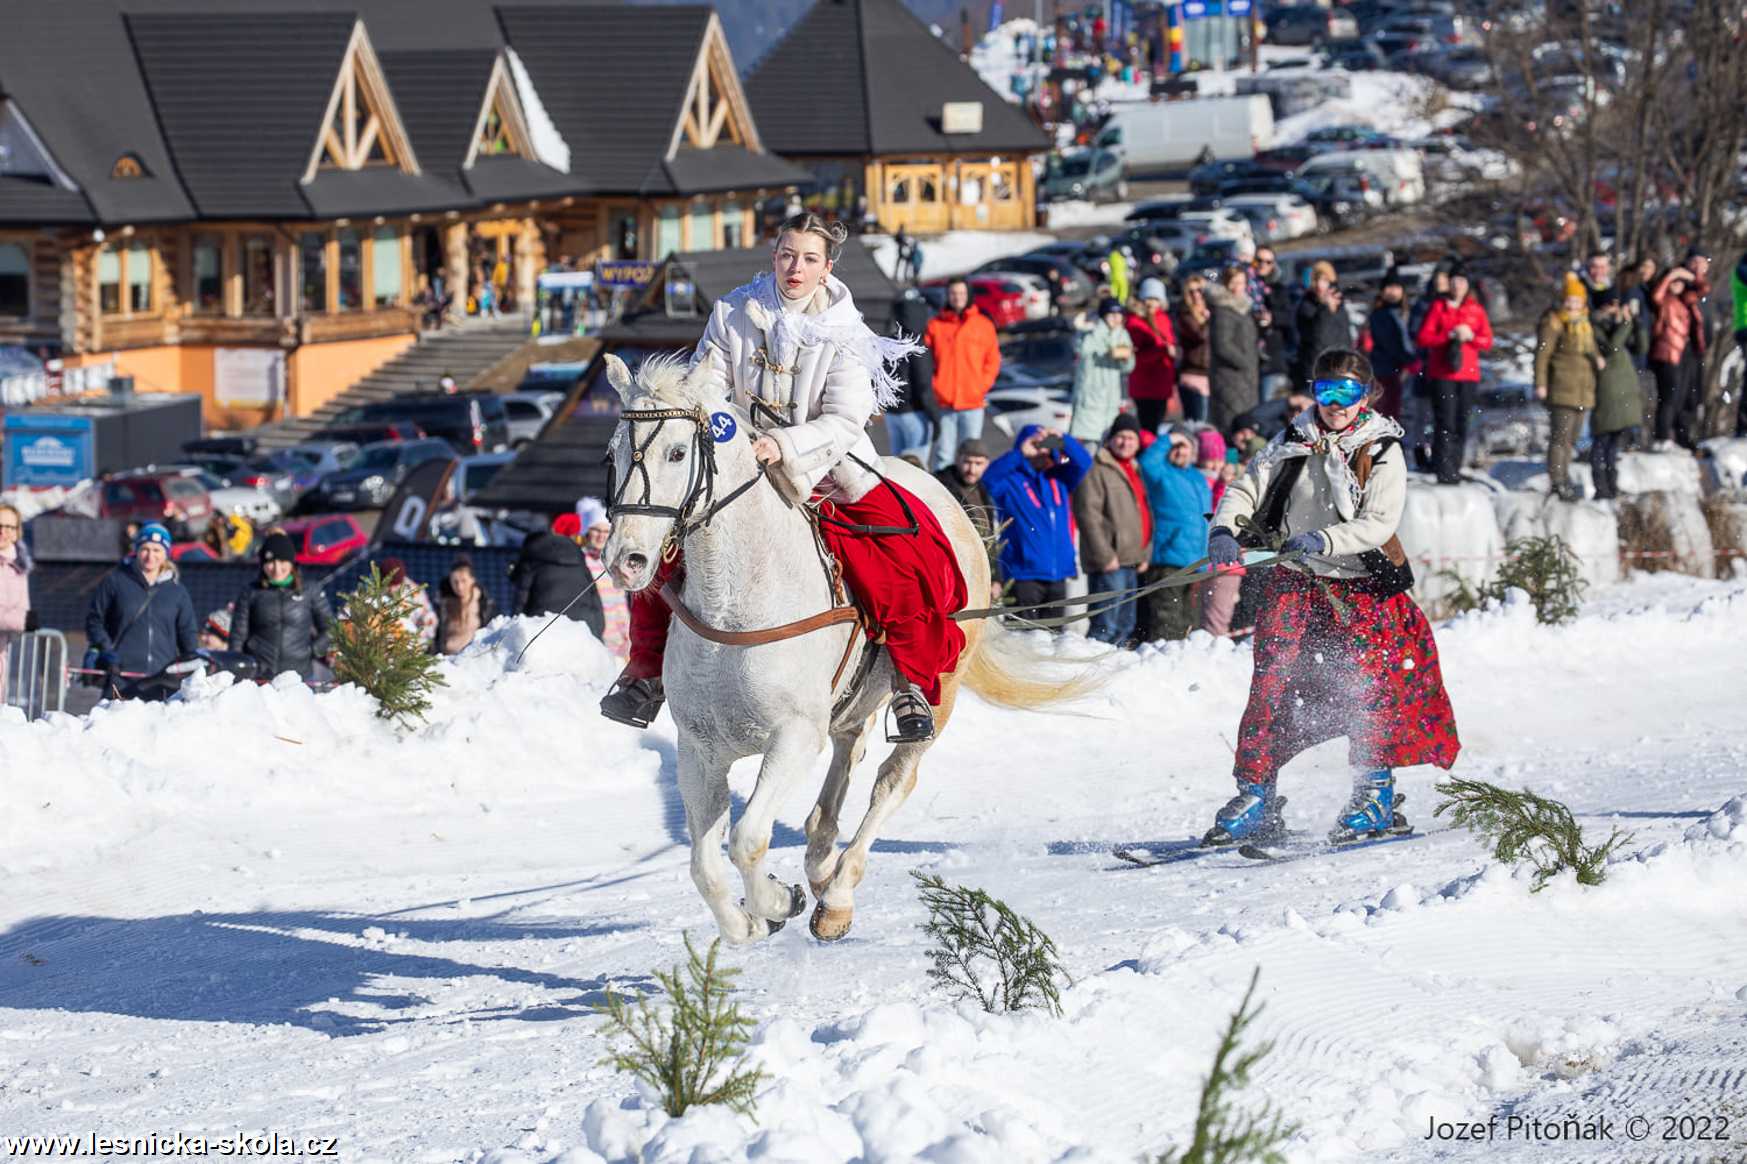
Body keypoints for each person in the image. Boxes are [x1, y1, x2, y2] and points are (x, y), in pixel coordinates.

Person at [600, 213, 966, 743]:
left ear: (827, 268)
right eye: (788, 255)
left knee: (900, 553)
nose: (796, 267)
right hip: (737, 457)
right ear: (773, 257)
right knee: (664, 545)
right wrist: (738, 442)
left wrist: (785, 445)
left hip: (825, 462)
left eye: (809, 259)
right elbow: (707, 388)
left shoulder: (847, 334)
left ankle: (909, 678)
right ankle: (646, 673)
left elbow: (845, 418)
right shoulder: (731, 312)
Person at [1203, 348, 1460, 847]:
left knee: (1368, 685)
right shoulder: (1291, 441)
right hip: (1298, 580)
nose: (1335, 403)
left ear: (1365, 397)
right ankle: (1256, 791)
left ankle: (1375, 790)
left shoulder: (1381, 448)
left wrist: (1324, 540)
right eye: (1327, 391)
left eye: (1347, 392)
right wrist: (1224, 530)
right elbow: (1245, 489)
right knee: (1273, 679)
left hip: (1360, 583)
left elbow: (1380, 522)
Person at [983, 424, 1092, 625]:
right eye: (1036, 444)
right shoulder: (1010, 480)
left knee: (1053, 640)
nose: (1041, 450)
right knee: (1023, 639)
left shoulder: (1059, 477)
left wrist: (1063, 440)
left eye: (1045, 445)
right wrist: (1019, 453)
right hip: (1023, 574)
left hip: (1057, 573)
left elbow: (1084, 463)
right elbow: (988, 479)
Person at [84, 522, 198, 700]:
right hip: (121, 677)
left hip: (162, 681)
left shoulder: (177, 592)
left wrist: (191, 667)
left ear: (166, 554)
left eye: (157, 550)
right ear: (136, 550)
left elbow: (187, 635)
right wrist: (107, 649)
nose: (150, 556)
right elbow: (94, 620)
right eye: (145, 549)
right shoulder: (115, 582)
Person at [1072, 414, 1152, 645]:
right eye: (1121, 437)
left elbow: (1146, 513)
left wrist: (1145, 553)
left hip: (1132, 561)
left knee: (1125, 626)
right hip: (1110, 563)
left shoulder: (1134, 470)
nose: (1125, 443)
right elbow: (1088, 514)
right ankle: (1092, 672)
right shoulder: (1097, 469)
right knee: (1105, 626)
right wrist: (1104, 556)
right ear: (1110, 439)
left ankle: (1116, 675)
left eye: (1131, 438)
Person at [1414, 269, 1493, 484]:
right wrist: (1448, 335)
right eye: (1454, 281)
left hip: (1468, 374)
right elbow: (1423, 337)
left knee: (1462, 422)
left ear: (1468, 285)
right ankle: (1443, 468)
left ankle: (1456, 466)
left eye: (1462, 281)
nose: (1458, 286)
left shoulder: (1475, 309)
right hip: (1442, 373)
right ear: (1449, 284)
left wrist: (1471, 336)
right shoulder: (1438, 307)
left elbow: (1487, 341)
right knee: (1445, 421)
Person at [1534, 273, 1605, 502]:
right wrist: (1541, 383)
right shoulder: (1554, 322)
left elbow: (1591, 349)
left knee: (1572, 439)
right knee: (1560, 438)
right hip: (1562, 388)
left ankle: (1564, 476)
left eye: (1577, 300)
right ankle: (1558, 480)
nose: (1573, 304)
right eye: (1570, 299)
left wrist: (1598, 359)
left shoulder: (1584, 325)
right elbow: (1542, 354)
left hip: (1584, 390)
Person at [230, 529, 335, 680]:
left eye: (282, 561)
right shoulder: (251, 592)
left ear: (291, 562)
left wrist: (312, 650)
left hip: (299, 676)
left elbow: (330, 628)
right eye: (270, 562)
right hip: (260, 677)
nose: (276, 569)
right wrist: (237, 670)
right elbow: (237, 637)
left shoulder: (310, 590)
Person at [1137, 428, 1211, 641]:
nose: (1180, 451)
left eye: (1184, 446)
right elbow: (1147, 462)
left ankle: (1183, 666)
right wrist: (1169, 438)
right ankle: (1162, 663)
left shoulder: (1197, 477)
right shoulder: (1161, 473)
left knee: (1190, 622)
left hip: (1196, 561)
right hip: (1168, 558)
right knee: (1167, 621)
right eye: (1175, 447)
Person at [924, 276, 1002, 471]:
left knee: (971, 454)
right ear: (947, 296)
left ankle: (969, 498)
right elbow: (925, 361)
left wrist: (980, 386)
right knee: (943, 454)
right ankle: (944, 497)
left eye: (961, 293)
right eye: (953, 293)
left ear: (968, 295)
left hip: (972, 403)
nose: (957, 297)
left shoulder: (983, 325)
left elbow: (992, 361)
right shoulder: (935, 325)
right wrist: (935, 386)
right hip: (944, 402)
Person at [1590, 288, 1650, 501]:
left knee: (1614, 442)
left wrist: (1637, 323)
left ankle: (1612, 485)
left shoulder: (1618, 326)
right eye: (1611, 305)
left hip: (1624, 388)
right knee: (1602, 440)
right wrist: (1625, 325)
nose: (1614, 310)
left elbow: (1641, 347)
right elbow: (1613, 347)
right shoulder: (1595, 327)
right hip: (1607, 389)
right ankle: (1600, 486)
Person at [1649, 259, 1710, 450]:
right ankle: (1662, 436)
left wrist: (1692, 276)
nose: (1677, 285)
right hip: (1666, 353)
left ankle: (1677, 436)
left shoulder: (1684, 300)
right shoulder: (1664, 300)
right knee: (1668, 397)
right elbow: (1657, 294)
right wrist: (1672, 275)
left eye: (1680, 283)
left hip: (1681, 354)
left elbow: (1704, 289)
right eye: (1674, 282)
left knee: (1681, 397)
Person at [933, 439, 1002, 601]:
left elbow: (989, 538)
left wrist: (995, 577)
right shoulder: (941, 485)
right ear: (957, 459)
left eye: (978, 464)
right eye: (967, 462)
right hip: (952, 571)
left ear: (987, 464)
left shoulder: (983, 490)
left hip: (979, 572)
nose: (972, 470)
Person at [1069, 297, 1136, 442]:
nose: (1116, 319)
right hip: (1090, 400)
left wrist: (1126, 358)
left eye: (1119, 315)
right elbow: (1083, 350)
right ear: (1103, 315)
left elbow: (1128, 367)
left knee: (1107, 445)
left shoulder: (1122, 334)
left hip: (1111, 401)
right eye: (1111, 315)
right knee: (1089, 447)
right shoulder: (1089, 331)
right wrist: (1101, 335)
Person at [884, 287, 937, 459]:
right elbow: (923, 386)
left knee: (897, 467)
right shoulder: (917, 346)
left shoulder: (889, 342)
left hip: (892, 414)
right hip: (914, 413)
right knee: (917, 467)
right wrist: (935, 418)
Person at [1207, 265, 1261, 432]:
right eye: (1234, 282)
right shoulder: (1222, 309)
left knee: (1247, 425)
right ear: (1226, 283)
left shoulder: (1244, 309)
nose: (1238, 287)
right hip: (1229, 378)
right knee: (1231, 425)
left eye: (1241, 282)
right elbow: (1222, 345)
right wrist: (1246, 363)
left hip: (1247, 378)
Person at [1124, 278, 1180, 433]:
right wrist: (1161, 351)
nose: (1152, 303)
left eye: (1156, 299)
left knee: (1157, 425)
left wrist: (1171, 352)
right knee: (1147, 427)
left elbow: (1169, 342)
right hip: (1145, 384)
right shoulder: (1135, 322)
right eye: (1149, 298)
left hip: (1163, 383)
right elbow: (1136, 357)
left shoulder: (1163, 319)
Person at [1359, 271, 1416, 419]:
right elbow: (1388, 343)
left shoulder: (1406, 312)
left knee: (1398, 409)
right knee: (1385, 409)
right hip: (1384, 368)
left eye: (1397, 287)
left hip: (1403, 368)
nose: (1393, 291)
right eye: (1389, 287)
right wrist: (1409, 359)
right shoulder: (1379, 314)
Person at [578, 500, 630, 658]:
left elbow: (620, 605)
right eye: (596, 530)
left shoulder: (614, 563)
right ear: (587, 531)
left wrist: (628, 638)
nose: (601, 535)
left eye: (606, 531)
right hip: (591, 641)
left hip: (616, 643)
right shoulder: (579, 560)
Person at [1291, 261, 1352, 391]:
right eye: (1316, 279)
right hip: (1315, 370)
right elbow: (1319, 337)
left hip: (1339, 369)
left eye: (1324, 280)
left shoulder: (1340, 307)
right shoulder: (1306, 306)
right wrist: (1325, 309)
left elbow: (1346, 338)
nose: (1319, 285)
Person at [0, 502, 32, 701]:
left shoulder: (19, 567)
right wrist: (24, 620)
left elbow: (24, 610)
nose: (3, 531)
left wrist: (24, 620)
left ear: (16, 532)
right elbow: (25, 619)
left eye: (9, 527)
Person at [435, 554, 497, 656]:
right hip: (447, 657)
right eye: (455, 582)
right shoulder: (442, 602)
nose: (459, 586)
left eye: (464, 581)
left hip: (474, 656)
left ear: (472, 580)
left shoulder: (485, 603)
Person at [374, 556, 437, 647]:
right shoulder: (370, 590)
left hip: (408, 648)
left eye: (395, 585)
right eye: (388, 585)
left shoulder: (415, 593)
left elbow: (430, 620)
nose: (392, 589)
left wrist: (416, 640)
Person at [1175, 273, 1213, 423]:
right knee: (1197, 421)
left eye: (1200, 291)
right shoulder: (1185, 315)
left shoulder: (1211, 311)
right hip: (1192, 374)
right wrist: (1209, 320)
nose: (1196, 295)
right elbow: (1200, 335)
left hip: (1210, 374)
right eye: (1191, 291)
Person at [1252, 246, 1295, 378]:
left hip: (1272, 352)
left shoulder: (1279, 289)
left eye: (1268, 262)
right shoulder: (1242, 287)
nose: (1263, 265)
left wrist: (1272, 318)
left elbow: (1289, 317)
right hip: (1247, 351)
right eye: (1259, 260)